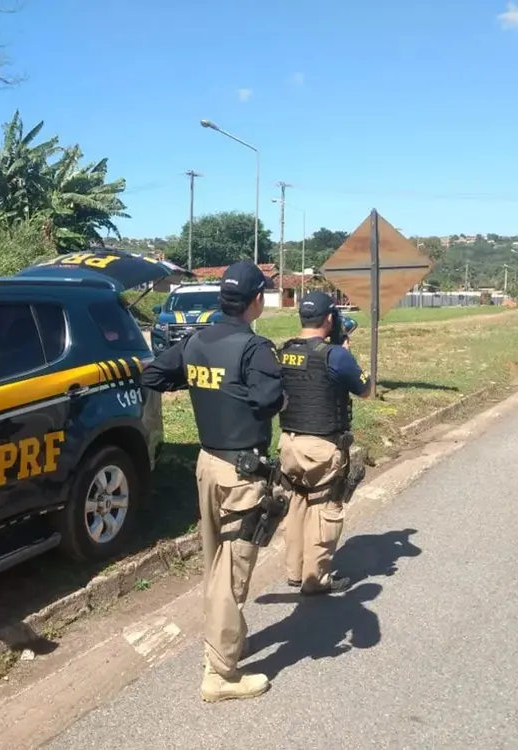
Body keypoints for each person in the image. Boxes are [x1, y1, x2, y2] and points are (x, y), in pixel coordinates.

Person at [141, 260, 286, 703]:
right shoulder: (256, 349)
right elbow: (269, 401)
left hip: (207, 465)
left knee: (214, 563)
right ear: (256, 301)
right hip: (241, 474)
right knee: (232, 571)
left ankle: (225, 640)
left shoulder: (196, 341)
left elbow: (152, 374)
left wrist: (201, 384)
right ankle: (220, 674)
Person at [277, 291, 372, 597]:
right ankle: (316, 579)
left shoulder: (285, 350)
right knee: (324, 508)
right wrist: (347, 353)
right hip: (321, 445)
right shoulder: (335, 356)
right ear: (329, 319)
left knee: (298, 503)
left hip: (288, 443)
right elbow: (365, 390)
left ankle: (294, 571)